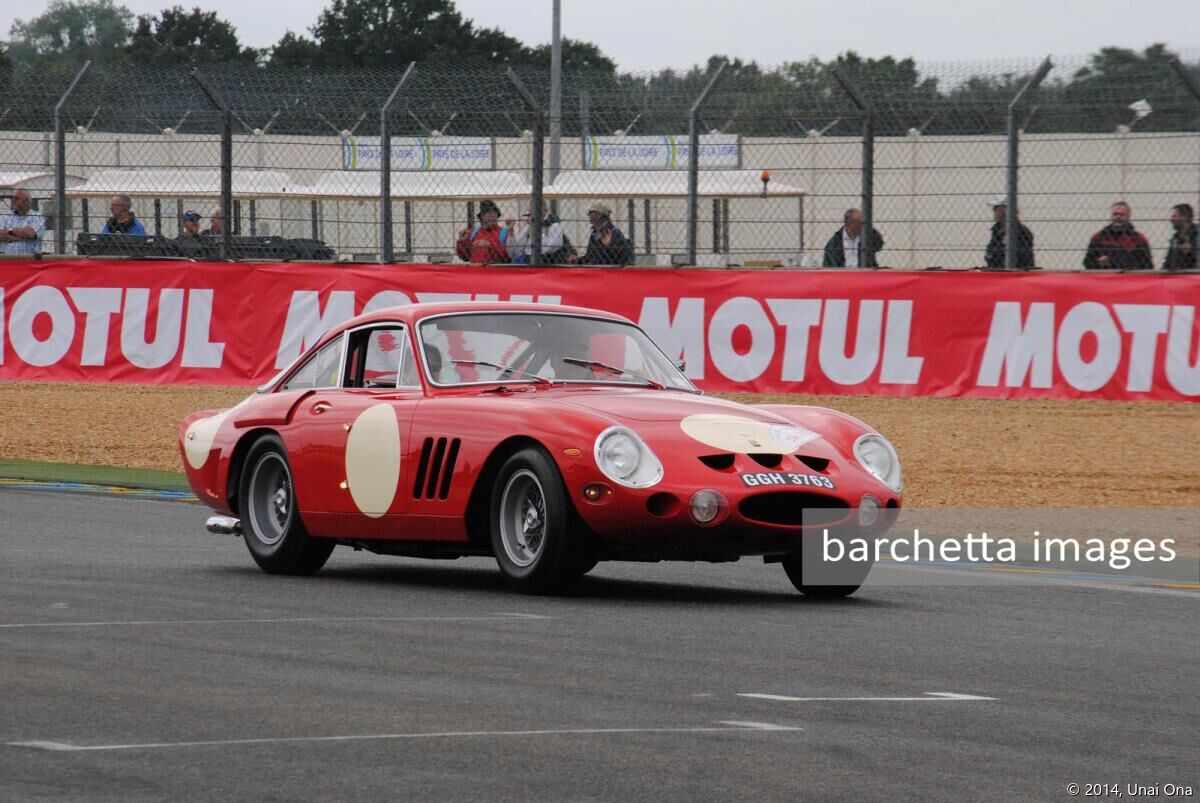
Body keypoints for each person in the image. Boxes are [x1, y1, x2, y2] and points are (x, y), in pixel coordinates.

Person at [1083, 201, 1152, 270]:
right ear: (1111, 216)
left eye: (1122, 214)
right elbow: (1087, 262)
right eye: (1115, 214)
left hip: (1129, 277)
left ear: (1128, 216)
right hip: (1105, 276)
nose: (1118, 217)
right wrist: (1098, 262)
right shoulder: (1099, 237)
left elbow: (1147, 264)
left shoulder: (1138, 239)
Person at [506, 201, 572, 264]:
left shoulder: (554, 225)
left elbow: (549, 248)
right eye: (530, 213)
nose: (531, 216)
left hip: (548, 264)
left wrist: (535, 230)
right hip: (529, 264)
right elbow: (514, 252)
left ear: (545, 211)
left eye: (535, 212)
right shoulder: (529, 227)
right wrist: (511, 231)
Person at [569, 202, 633, 265]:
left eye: (592, 213)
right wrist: (579, 259)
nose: (589, 215)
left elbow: (619, 258)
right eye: (590, 213)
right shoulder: (594, 234)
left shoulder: (614, 232)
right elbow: (591, 257)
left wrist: (608, 246)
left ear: (600, 215)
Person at [984, 195, 1035, 268]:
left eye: (996, 208)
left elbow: (1022, 256)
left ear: (1006, 210)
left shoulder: (1021, 231)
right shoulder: (996, 230)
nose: (994, 211)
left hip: (1017, 273)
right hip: (995, 270)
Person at [455, 199, 510, 264]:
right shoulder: (473, 232)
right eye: (488, 213)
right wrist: (462, 242)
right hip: (476, 272)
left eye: (495, 212)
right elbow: (464, 257)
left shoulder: (505, 233)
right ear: (481, 216)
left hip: (496, 272)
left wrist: (490, 247)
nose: (492, 215)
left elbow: (508, 258)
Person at [0, 189, 46, 255]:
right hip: (8, 259)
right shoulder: (5, 216)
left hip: (30, 260)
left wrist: (10, 231)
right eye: (13, 198)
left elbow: (31, 234)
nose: (13, 201)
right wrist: (21, 235)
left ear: (26, 201)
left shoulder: (37, 217)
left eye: (16, 199)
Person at [1163, 203, 1197, 271]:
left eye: (1174, 216)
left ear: (1184, 217)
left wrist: (1190, 252)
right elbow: (1168, 262)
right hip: (1176, 277)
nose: (1171, 219)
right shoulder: (1175, 238)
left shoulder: (1197, 235)